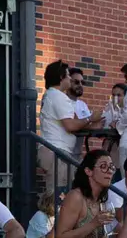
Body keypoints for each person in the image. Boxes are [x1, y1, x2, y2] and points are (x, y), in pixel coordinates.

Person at [38, 60, 91, 190]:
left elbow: (74, 121)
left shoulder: (51, 94)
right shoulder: (58, 96)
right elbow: (70, 125)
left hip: (54, 150)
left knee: (58, 193)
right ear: (61, 77)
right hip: (57, 150)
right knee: (57, 195)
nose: (69, 78)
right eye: (67, 76)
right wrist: (89, 119)